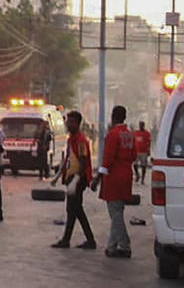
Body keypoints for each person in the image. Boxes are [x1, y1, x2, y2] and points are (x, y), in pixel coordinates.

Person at [93, 105, 135, 259]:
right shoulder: (129, 134)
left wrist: (97, 178)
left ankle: (125, 245)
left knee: (115, 214)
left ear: (113, 116)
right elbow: (133, 156)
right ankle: (111, 246)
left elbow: (108, 159)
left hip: (114, 177)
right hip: (126, 175)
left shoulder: (113, 134)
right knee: (117, 212)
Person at [51, 110, 96, 250]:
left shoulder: (81, 140)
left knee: (75, 210)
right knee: (73, 210)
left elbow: (83, 162)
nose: (68, 125)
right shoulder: (71, 139)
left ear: (77, 123)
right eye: (67, 122)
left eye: (71, 122)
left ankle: (87, 240)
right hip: (72, 178)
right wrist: (58, 175)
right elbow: (68, 158)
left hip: (79, 178)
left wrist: (76, 180)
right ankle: (70, 239)